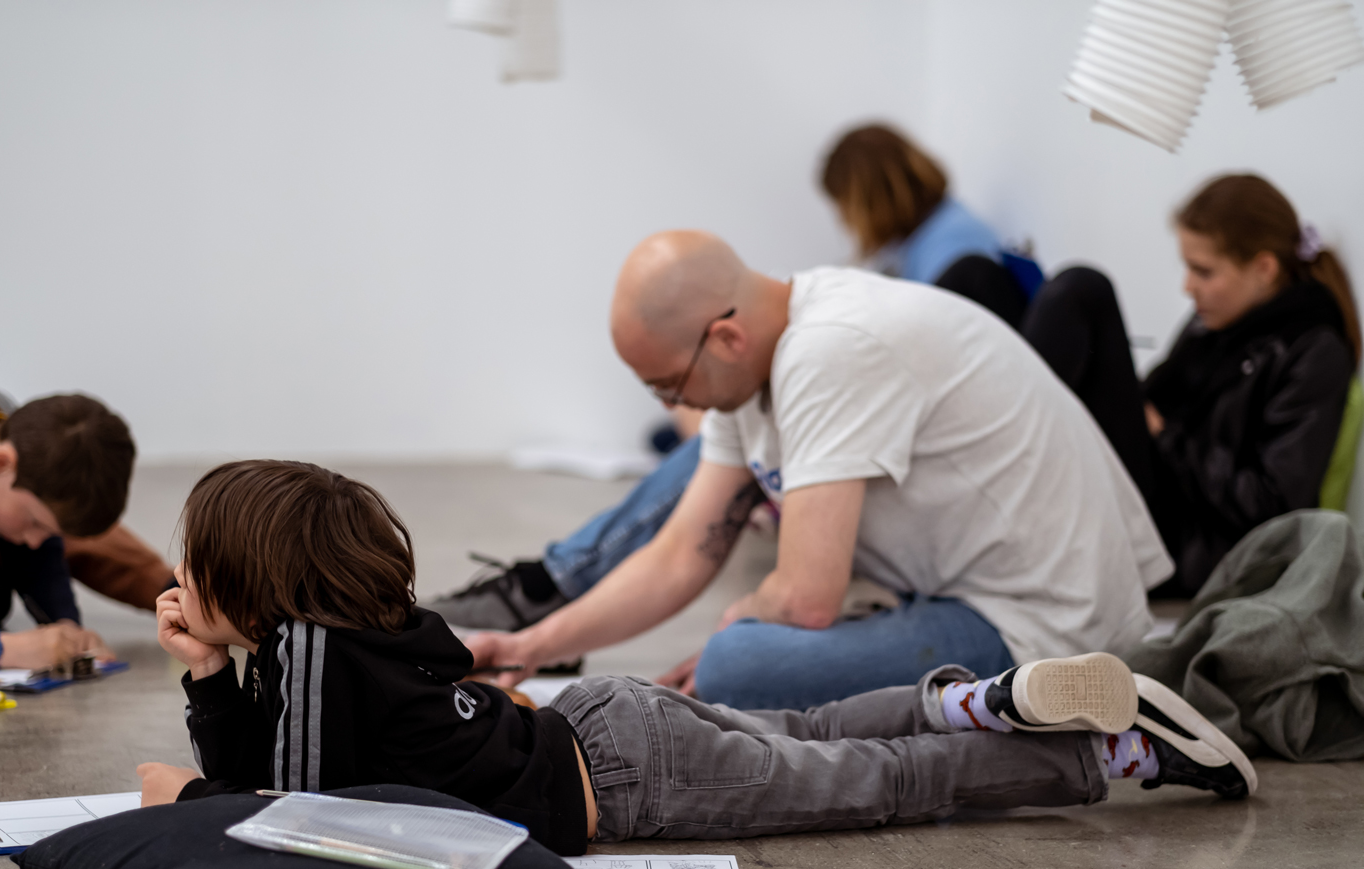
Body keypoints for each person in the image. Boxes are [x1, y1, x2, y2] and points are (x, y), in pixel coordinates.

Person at [136, 459, 1254, 859]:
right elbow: (294, 761)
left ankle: (1106, 757)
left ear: (251, 583)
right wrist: (205, 672)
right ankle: (973, 702)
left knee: (875, 786)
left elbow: (284, 815)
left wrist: (190, 792)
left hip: (624, 781)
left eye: (197, 565)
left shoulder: (307, 657)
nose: (183, 583)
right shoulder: (334, 640)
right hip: (604, 725)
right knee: (816, 737)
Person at [462, 231, 1170, 710]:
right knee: (738, 658)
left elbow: (805, 599)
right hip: (966, 593)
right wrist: (532, 644)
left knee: (739, 669)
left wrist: (730, 639)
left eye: (670, 385)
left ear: (725, 337)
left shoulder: (830, 351)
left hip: (1048, 623)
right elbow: (681, 553)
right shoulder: (755, 359)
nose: (674, 406)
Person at [427, 124, 1032, 639]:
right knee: (689, 438)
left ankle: (549, 584)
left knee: (701, 459)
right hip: (873, 432)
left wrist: (743, 620)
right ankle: (552, 592)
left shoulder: (948, 254)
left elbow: (891, 388)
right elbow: (679, 558)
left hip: (920, 470)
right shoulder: (920, 247)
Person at [1021, 174, 1359, 594]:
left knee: (1084, 291)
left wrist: (1166, 437)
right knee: (981, 275)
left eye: (1203, 271)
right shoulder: (1221, 321)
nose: (1187, 286)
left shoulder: (1313, 350)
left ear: (1264, 269)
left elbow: (1273, 505)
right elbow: (1159, 396)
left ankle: (1008, 481)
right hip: (1164, 496)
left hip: (1195, 544)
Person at [0, 380, 169, 671]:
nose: (35, 540)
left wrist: (66, 629)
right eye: (34, 521)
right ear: (0, 463)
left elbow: (41, 555)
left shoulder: (22, 451)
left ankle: (188, 594)